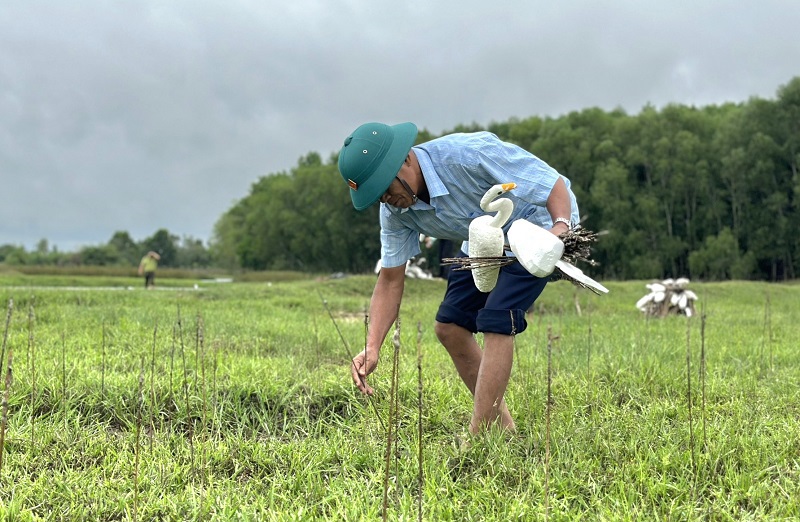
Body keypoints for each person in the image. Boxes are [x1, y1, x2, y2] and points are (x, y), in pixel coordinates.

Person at [338, 122, 579, 436]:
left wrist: (560, 228)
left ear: (406, 160)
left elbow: (552, 184)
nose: (386, 199)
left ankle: (478, 437)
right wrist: (372, 347)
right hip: (483, 239)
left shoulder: (469, 155)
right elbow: (390, 280)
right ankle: (502, 431)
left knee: (496, 316)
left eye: (386, 187)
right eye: (377, 196)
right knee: (450, 327)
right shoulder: (395, 211)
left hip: (536, 226)